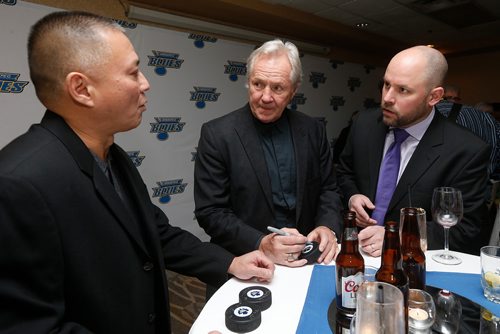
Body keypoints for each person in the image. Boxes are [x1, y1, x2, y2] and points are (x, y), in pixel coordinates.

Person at [0, 11, 274, 333]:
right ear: (81, 88)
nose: (146, 84)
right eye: (133, 73)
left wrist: (229, 262)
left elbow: (154, 234)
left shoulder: (111, 155)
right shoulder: (17, 184)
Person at [194, 39, 342, 270]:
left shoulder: (313, 130)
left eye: (278, 88)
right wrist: (260, 242)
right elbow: (211, 212)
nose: (265, 96)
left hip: (309, 258)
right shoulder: (217, 135)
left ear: (293, 91)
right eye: (258, 84)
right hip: (247, 260)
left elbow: (328, 189)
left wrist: (328, 226)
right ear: (248, 82)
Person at [337, 46, 490, 257]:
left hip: (412, 263)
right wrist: (352, 196)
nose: (387, 98)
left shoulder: (467, 150)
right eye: (386, 85)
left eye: (403, 90)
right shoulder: (364, 123)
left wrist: (398, 236)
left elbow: (464, 229)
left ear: (434, 97)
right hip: (355, 253)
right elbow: (344, 172)